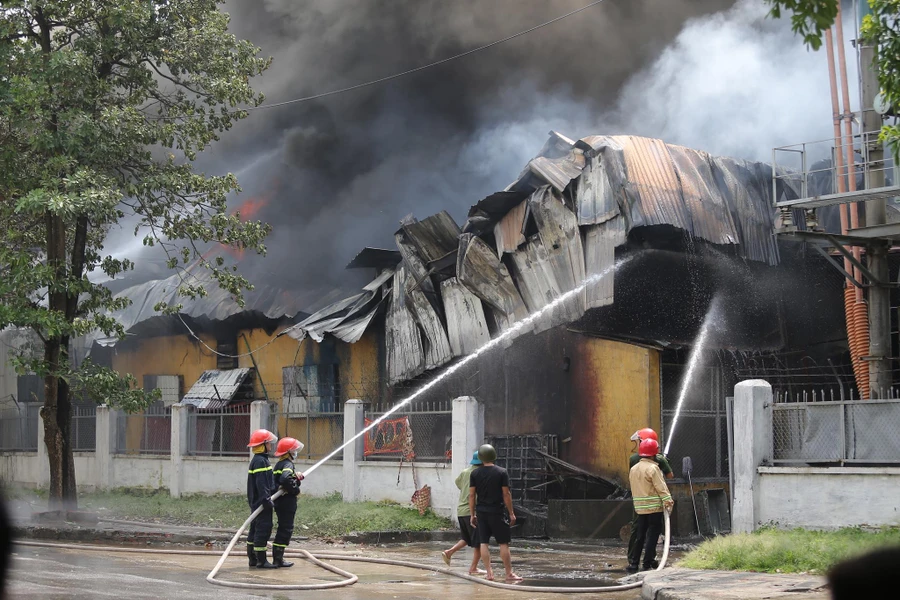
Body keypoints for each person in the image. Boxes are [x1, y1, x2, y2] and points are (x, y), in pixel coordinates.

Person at [469, 444, 522, 582]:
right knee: (503, 543)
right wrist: (511, 513)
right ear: (494, 456)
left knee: (483, 542)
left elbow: (471, 495)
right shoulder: (501, 472)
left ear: (480, 458)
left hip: (481, 512)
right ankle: (509, 573)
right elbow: (506, 494)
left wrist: (472, 514)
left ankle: (489, 573)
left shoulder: (474, 473)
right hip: (497, 512)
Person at [627, 437, 674, 573]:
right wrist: (668, 501)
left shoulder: (634, 469)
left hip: (640, 509)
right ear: (654, 453)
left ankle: (633, 564)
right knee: (652, 536)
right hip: (654, 509)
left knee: (639, 536)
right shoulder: (653, 468)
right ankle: (647, 563)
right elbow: (661, 487)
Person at [440, 451, 485, 574]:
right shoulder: (480, 474)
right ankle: (474, 568)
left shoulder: (465, 472)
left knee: (466, 538)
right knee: (480, 541)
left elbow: (458, 483)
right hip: (472, 511)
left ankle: (449, 552)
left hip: (461, 510)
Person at [246, 428, 278, 569]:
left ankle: (252, 559)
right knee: (263, 529)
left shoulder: (258, 460)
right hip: (261, 502)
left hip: (256, 502)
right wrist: (266, 500)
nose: (271, 446)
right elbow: (262, 482)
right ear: (262, 445)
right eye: (268, 444)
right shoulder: (260, 462)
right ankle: (261, 560)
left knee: (254, 529)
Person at [272, 437, 305, 568]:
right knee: (286, 529)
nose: (296, 452)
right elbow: (285, 479)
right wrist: (296, 490)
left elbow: (284, 479)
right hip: (286, 502)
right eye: (294, 450)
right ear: (288, 452)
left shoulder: (280, 464)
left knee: (282, 527)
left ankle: (278, 558)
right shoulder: (287, 464)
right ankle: (278, 559)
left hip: (280, 502)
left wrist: (296, 479)